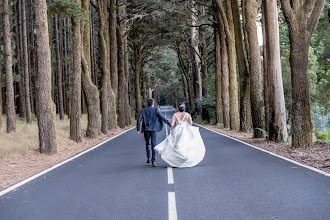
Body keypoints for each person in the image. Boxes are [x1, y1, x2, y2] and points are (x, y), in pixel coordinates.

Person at [154, 102, 205, 168]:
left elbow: (172, 124)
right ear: (184, 108)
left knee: (176, 145)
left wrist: (172, 128)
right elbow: (190, 124)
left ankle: (176, 161)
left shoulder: (175, 115)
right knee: (186, 145)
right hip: (185, 131)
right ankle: (186, 159)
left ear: (178, 108)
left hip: (177, 131)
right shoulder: (187, 115)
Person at [137, 98, 171, 167]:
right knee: (154, 145)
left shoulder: (143, 110)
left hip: (146, 130)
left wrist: (138, 129)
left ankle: (148, 158)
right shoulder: (156, 110)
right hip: (154, 130)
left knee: (147, 143)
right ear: (153, 103)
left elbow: (139, 119)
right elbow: (162, 117)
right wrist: (169, 124)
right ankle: (153, 161)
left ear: (147, 103)